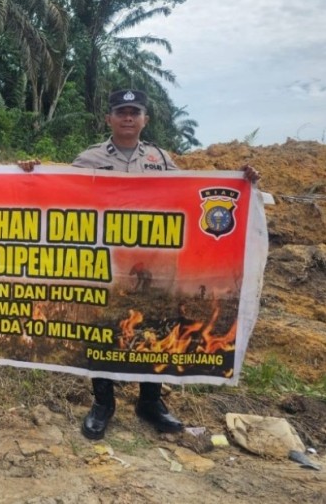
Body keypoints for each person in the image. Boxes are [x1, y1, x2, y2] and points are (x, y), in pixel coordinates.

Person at [69, 88, 260, 440]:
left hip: (156, 261)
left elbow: (189, 195)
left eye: (134, 112)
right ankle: (103, 403)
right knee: (105, 327)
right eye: (121, 111)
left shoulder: (161, 159)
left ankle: (150, 402)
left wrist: (241, 180)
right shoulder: (89, 158)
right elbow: (61, 193)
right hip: (110, 262)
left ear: (145, 119)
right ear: (109, 118)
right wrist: (30, 175)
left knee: (157, 325)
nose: (128, 117)